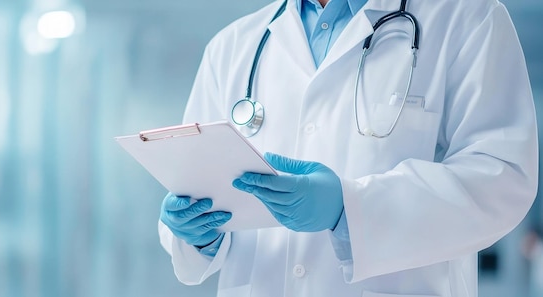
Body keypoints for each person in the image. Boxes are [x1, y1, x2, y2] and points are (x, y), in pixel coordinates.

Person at [158, 0, 538, 296]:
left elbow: (502, 178)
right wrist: (198, 235)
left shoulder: (468, 18)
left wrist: (351, 208)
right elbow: (197, 178)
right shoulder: (232, 46)